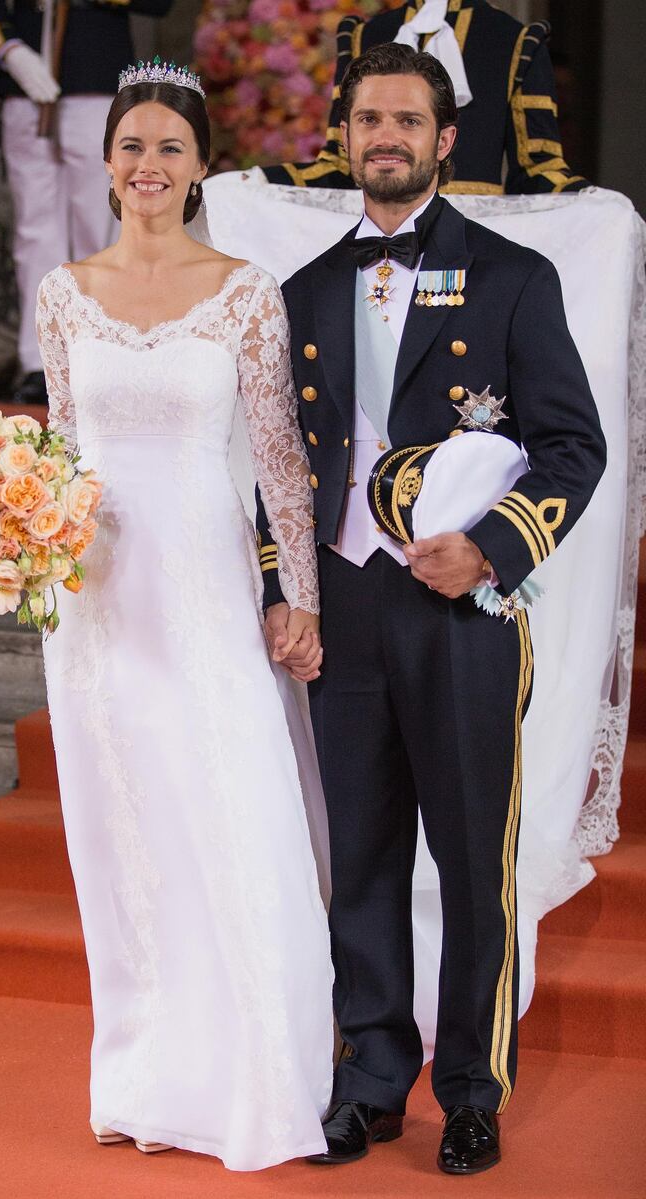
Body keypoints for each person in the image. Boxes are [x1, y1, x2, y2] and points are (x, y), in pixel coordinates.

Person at [257, 41, 605, 1173]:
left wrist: (494, 548)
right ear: (344, 137)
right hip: (346, 611)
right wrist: (284, 590)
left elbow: (570, 447)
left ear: (444, 138)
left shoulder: (511, 276)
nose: (385, 139)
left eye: (406, 121)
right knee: (355, 853)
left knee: (467, 857)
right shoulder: (300, 290)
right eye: (366, 122)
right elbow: (271, 471)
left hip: (460, 612)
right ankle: (367, 1079)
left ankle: (468, 1086)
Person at [34, 59, 334, 1171]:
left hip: (206, 590)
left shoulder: (247, 291)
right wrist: (15, 540)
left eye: (169, 146)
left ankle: (260, 1074)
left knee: (230, 805)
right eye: (131, 145)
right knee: (127, 828)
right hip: (101, 602)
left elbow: (281, 465)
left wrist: (293, 593)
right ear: (106, 163)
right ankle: (147, 1070)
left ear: (202, 165)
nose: (148, 165)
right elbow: (59, 452)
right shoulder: (64, 292)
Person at [0, 0, 173, 405]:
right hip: (26, 81)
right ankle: (37, 360)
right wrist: (10, 49)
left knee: (97, 226)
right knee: (34, 231)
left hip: (95, 75)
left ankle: (96, 353)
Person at [265, 0, 587, 195]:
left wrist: (594, 202)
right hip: (376, 231)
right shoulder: (364, 35)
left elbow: (536, 169)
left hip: (474, 240)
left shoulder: (516, 40)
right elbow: (339, 163)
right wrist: (258, 181)